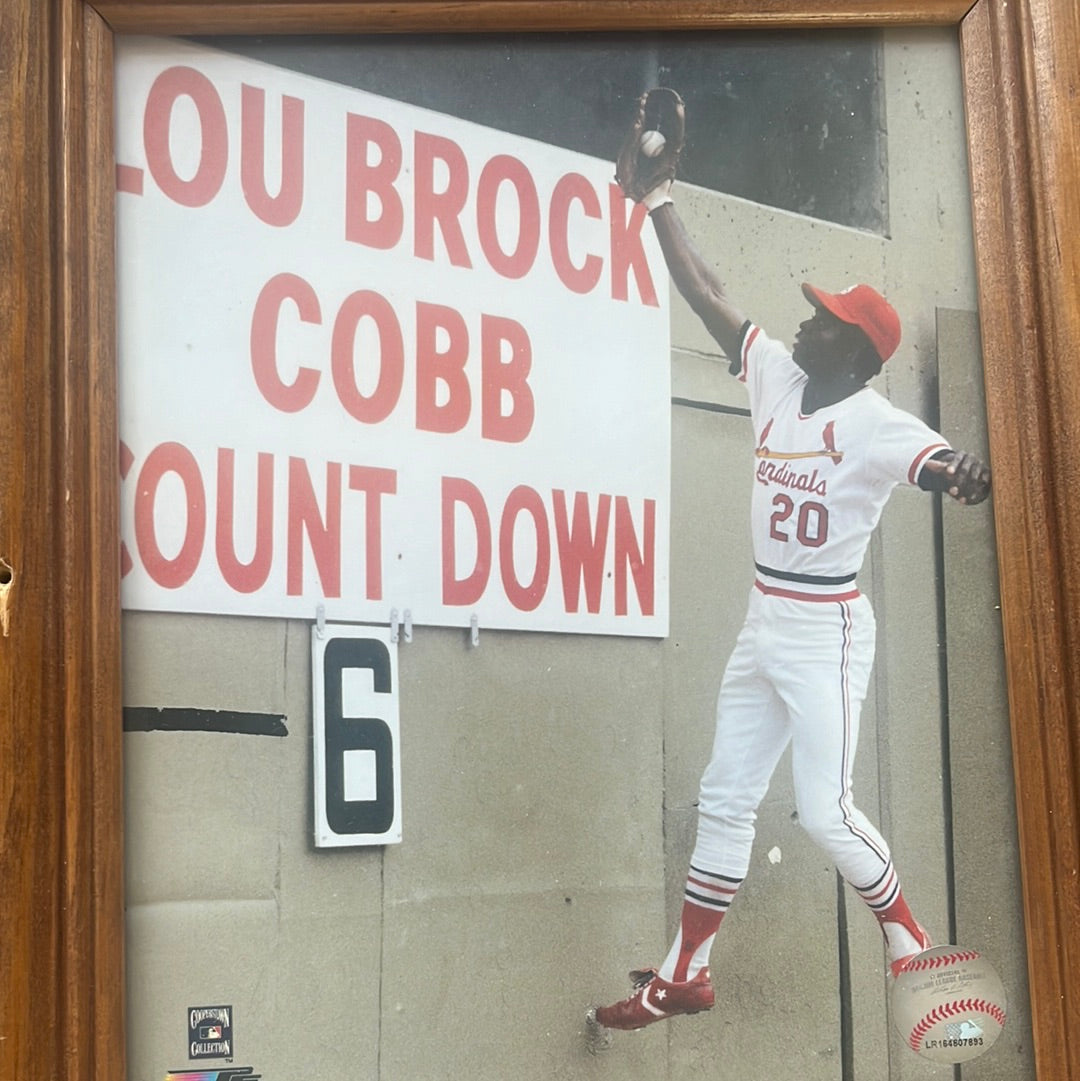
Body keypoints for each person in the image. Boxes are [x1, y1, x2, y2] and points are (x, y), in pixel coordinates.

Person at [591, 93, 992, 1032]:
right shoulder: (778, 373)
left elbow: (933, 463)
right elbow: (708, 290)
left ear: (854, 350)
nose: (804, 321)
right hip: (765, 620)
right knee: (726, 798)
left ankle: (911, 941)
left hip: (827, 632)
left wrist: (961, 470)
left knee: (823, 811)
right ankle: (686, 971)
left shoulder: (874, 418)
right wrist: (658, 204)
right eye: (812, 315)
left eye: (823, 320)